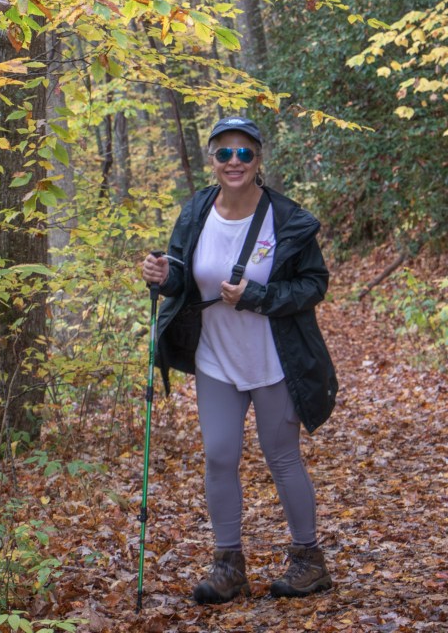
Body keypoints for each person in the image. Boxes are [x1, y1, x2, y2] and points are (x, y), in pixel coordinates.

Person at [142, 116, 337, 605]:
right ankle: (228, 566)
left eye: (244, 153)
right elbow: (183, 275)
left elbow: (314, 284)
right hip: (216, 359)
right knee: (219, 456)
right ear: (212, 159)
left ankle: (309, 561)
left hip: (273, 359)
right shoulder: (196, 211)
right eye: (224, 153)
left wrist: (258, 296)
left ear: (258, 159)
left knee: (283, 457)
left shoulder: (286, 218)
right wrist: (163, 275)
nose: (234, 162)